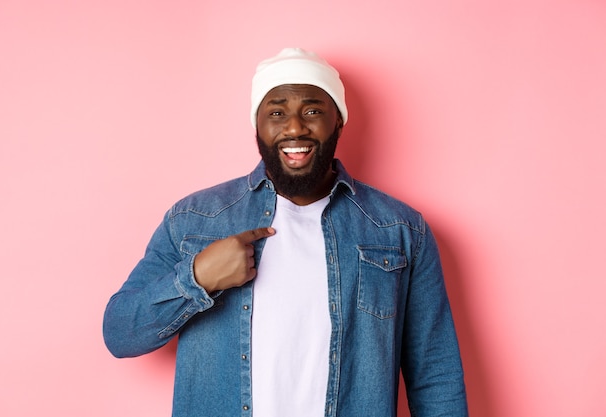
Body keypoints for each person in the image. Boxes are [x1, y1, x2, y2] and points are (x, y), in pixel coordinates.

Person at [103, 48, 468, 417]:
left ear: (338, 121)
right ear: (257, 125)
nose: (295, 127)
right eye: (276, 112)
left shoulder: (400, 230)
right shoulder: (195, 220)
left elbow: (434, 375)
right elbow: (120, 333)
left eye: (312, 111)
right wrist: (197, 278)